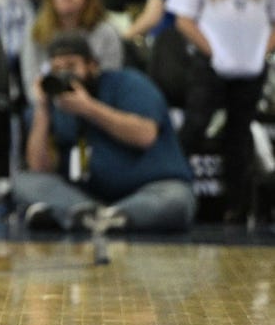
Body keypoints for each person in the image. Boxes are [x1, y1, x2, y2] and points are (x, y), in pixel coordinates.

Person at [14, 31, 195, 233]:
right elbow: (40, 167)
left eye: (71, 66)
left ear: (93, 66)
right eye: (56, 69)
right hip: (87, 196)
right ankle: (90, 215)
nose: (64, 75)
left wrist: (89, 109)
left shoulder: (130, 83)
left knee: (176, 200)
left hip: (150, 188)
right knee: (24, 182)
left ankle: (102, 216)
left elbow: (145, 136)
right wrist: (42, 110)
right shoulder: (53, 105)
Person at [165, 0, 275, 223]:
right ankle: (174, 188)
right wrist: (212, 52)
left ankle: (236, 206)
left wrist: (262, 52)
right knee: (196, 125)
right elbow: (183, 19)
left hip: (251, 65)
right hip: (211, 64)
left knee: (239, 135)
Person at [20, 0, 124, 101]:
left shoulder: (106, 32)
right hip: (48, 100)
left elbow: (111, 79)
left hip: (95, 101)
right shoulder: (36, 31)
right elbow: (31, 80)